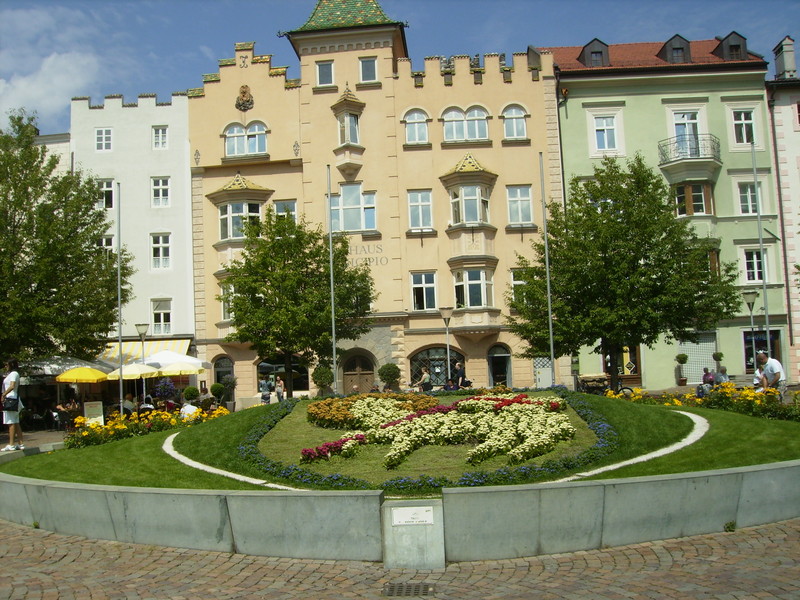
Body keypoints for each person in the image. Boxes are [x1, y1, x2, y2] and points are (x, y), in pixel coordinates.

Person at [1, 358, 24, 451]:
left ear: (12, 365)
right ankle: (21, 443)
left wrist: (3, 394)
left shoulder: (14, 374)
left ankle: (11, 444)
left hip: (11, 400)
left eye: (7, 365)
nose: (6, 367)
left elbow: (12, 385)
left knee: (11, 422)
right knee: (15, 422)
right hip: (13, 400)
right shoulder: (12, 374)